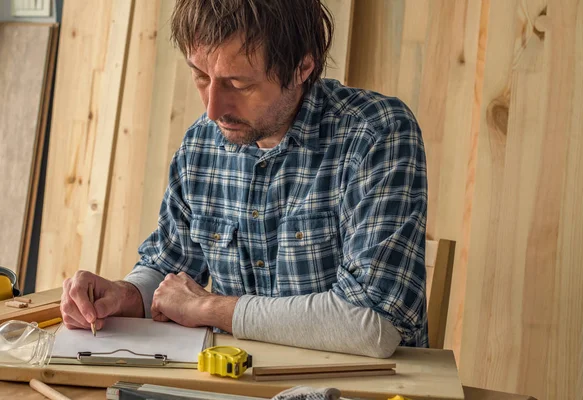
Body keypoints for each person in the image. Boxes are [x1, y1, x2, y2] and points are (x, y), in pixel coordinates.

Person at [60, 0, 428, 358]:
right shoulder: (202, 143)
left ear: (302, 66)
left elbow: (374, 325)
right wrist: (128, 294)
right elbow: (170, 264)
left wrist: (211, 309)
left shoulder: (377, 133)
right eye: (201, 76)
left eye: (239, 84)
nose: (213, 109)